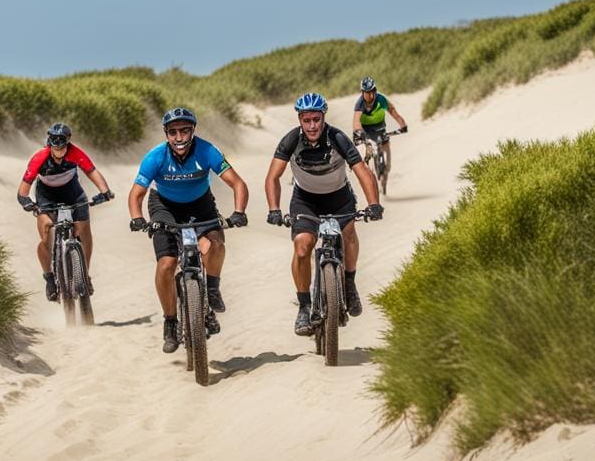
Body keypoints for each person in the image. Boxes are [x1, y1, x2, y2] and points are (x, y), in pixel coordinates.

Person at [128, 107, 249, 354]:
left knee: (215, 244)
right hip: (164, 206)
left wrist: (238, 211)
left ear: (193, 131)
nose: (179, 137)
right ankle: (171, 323)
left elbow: (237, 183)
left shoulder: (207, 151)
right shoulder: (155, 156)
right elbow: (136, 193)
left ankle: (212, 289)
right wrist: (137, 218)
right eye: (173, 132)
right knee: (167, 264)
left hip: (200, 204)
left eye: (184, 130)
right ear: (166, 134)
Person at [264, 92, 383, 336]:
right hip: (305, 200)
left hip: (339, 197)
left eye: (316, 119)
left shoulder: (337, 137)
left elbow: (361, 170)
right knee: (302, 247)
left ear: (323, 117)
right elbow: (272, 177)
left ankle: (349, 284)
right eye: (306, 120)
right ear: (300, 119)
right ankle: (304, 306)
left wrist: (374, 204)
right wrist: (274, 209)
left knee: (349, 232)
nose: (312, 125)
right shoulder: (291, 140)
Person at [17, 123, 114, 301]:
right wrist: (27, 202)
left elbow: (92, 172)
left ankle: (85, 274)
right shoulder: (40, 157)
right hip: (46, 195)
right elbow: (23, 190)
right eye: (54, 144)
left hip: (72, 192)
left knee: (84, 230)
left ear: (68, 142)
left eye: (62, 144)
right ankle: (48, 278)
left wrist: (104, 191)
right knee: (46, 231)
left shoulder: (75, 152)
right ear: (49, 143)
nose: (59, 149)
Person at [352, 76, 408, 181]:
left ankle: (387, 169)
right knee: (365, 152)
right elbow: (356, 121)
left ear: (375, 90)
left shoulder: (381, 99)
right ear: (362, 92)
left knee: (386, 145)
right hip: (366, 130)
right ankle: (368, 174)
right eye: (367, 92)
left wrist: (402, 125)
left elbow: (393, 112)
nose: (370, 95)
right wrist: (358, 133)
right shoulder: (360, 103)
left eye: (372, 91)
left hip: (380, 128)